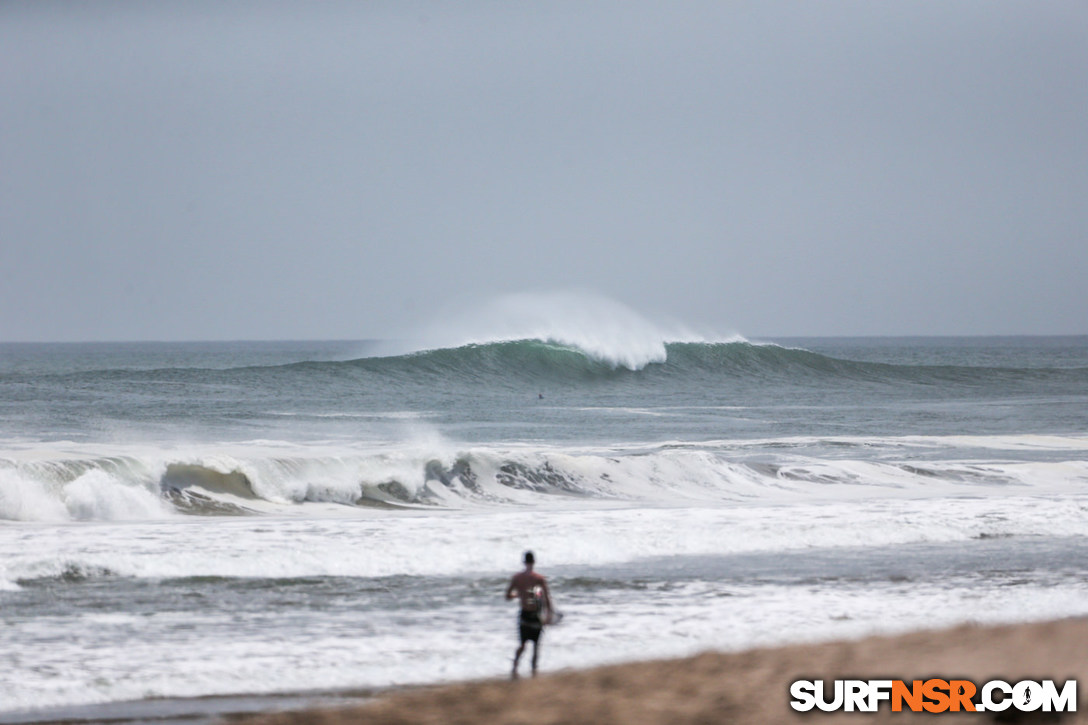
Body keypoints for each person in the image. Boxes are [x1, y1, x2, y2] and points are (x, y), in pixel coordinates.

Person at [505, 550, 553, 679]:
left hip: (524, 615)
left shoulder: (517, 578)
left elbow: (507, 596)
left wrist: (519, 594)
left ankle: (515, 667)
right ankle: (534, 671)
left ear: (524, 562)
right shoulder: (539, 579)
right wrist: (549, 614)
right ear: (534, 562)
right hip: (535, 615)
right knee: (536, 646)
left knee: (522, 644)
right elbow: (546, 598)